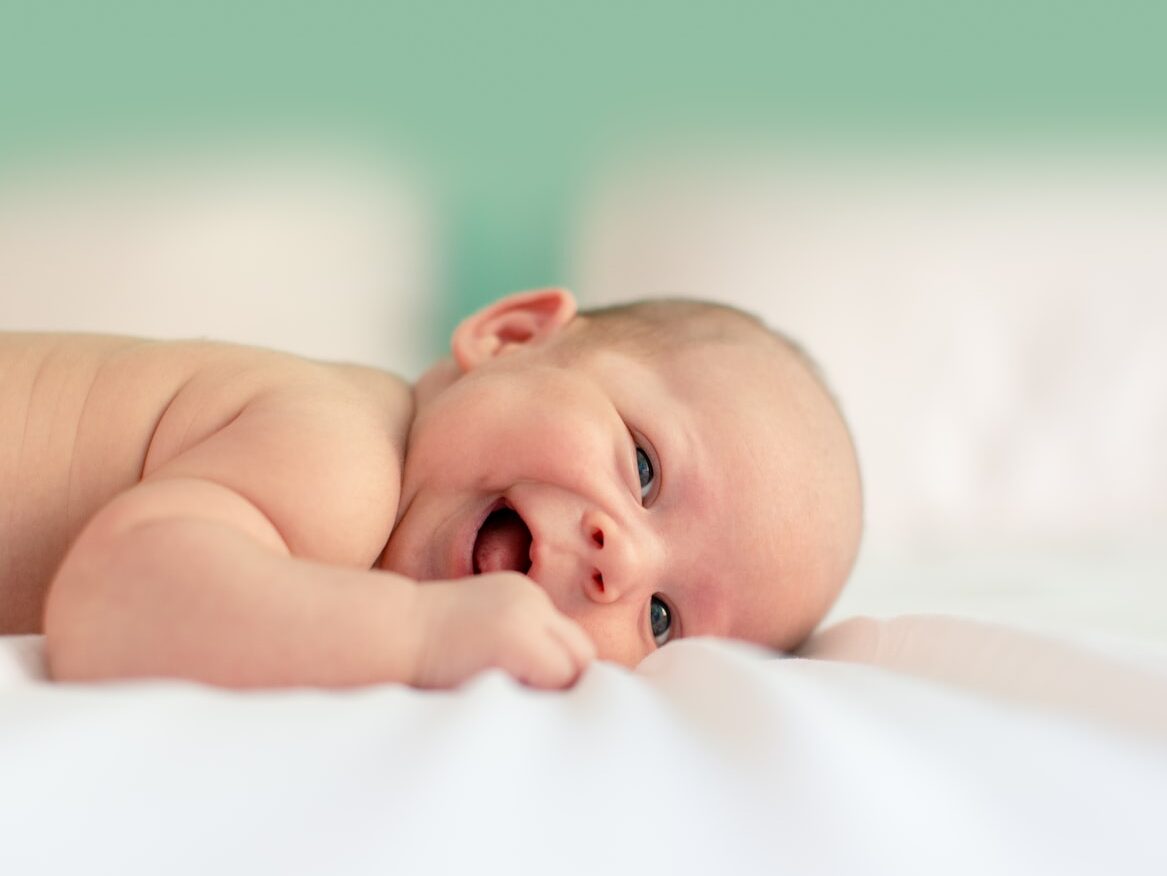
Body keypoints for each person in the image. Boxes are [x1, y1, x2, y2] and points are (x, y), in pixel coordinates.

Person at [0, 288, 863, 689]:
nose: (620, 564)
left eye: (662, 620)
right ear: (510, 335)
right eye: (642, 467)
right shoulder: (342, 458)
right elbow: (113, 605)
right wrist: (417, 635)